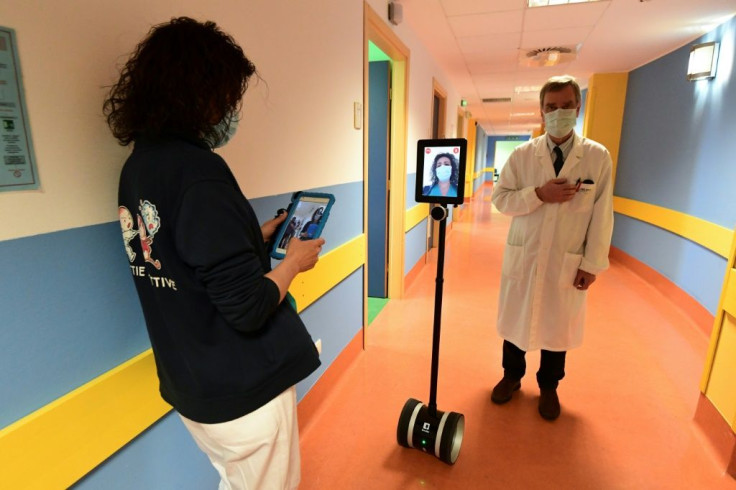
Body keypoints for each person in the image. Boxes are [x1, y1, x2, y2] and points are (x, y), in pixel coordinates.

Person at [104, 17, 323, 488]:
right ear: (196, 94)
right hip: (244, 393)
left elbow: (182, 256)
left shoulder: (138, 168)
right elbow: (246, 308)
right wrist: (292, 264)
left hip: (194, 387)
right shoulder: (200, 173)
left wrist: (253, 238)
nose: (229, 110)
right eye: (226, 97)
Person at [490, 75, 614, 421]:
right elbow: (501, 199)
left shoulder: (596, 157)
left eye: (565, 106)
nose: (558, 112)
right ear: (542, 112)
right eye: (551, 107)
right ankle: (511, 377)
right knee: (518, 318)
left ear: (578, 107)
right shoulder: (522, 156)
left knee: (556, 325)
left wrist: (591, 264)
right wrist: (539, 195)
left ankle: (549, 387)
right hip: (526, 254)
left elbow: (603, 215)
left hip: (567, 257)